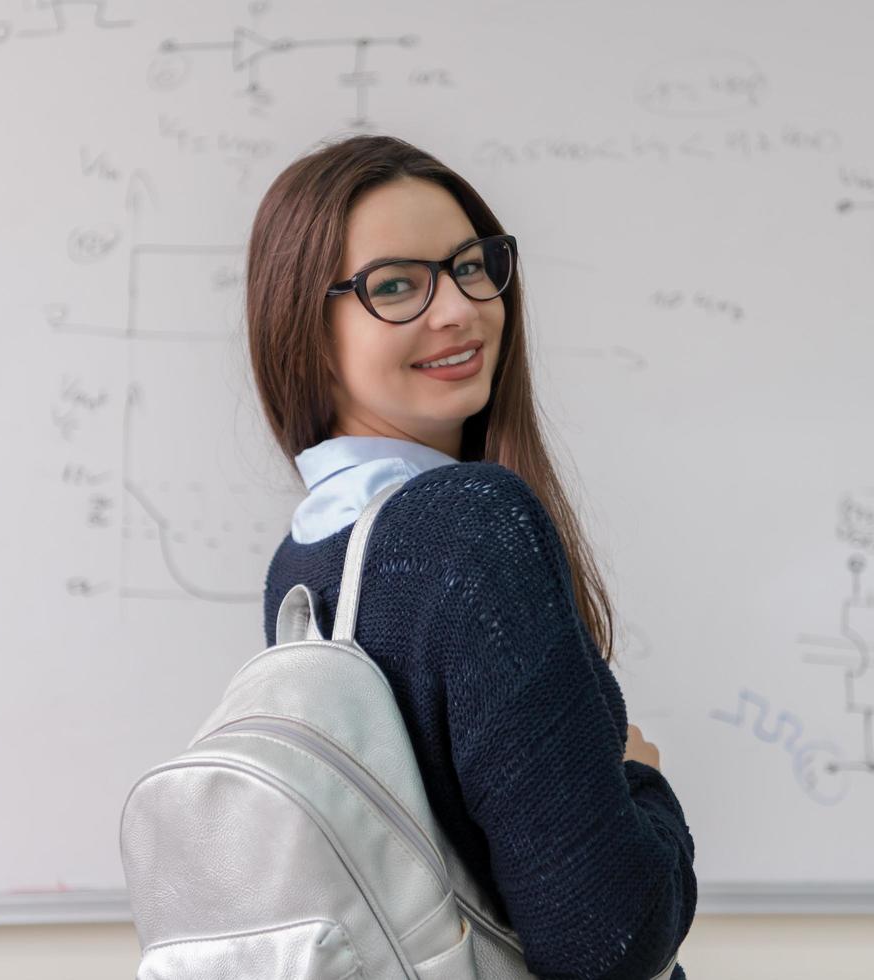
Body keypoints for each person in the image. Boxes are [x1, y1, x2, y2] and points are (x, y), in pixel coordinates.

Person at [245, 132, 696, 979]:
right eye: (396, 286)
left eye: (471, 265)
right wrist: (643, 782)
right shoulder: (470, 524)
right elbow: (609, 945)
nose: (458, 308)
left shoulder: (301, 563)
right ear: (305, 328)